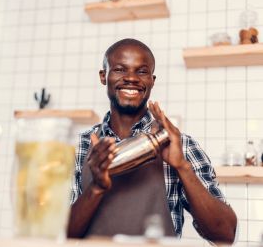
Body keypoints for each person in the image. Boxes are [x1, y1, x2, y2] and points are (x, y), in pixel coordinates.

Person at [67, 38, 237, 243]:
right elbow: (58, 237)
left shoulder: (180, 144)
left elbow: (225, 234)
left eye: (142, 71)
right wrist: (96, 188)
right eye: (120, 69)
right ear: (104, 76)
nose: (131, 78)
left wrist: (181, 166)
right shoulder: (80, 146)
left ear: (152, 80)